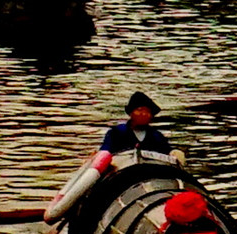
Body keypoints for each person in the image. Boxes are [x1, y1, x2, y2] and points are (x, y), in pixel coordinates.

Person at [47, 92, 183, 222]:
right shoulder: (117, 132)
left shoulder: (156, 136)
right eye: (140, 110)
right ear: (131, 113)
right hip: (120, 173)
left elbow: (167, 152)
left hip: (149, 174)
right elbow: (106, 151)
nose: (143, 114)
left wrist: (175, 154)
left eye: (147, 112)